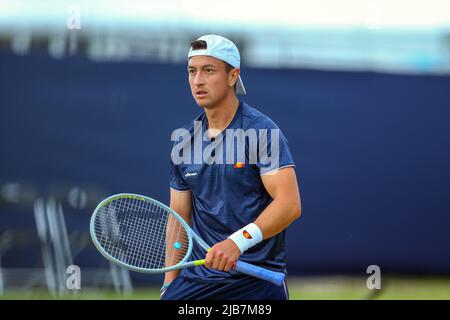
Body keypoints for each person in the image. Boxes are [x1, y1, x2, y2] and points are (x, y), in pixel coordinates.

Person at [161, 34, 301, 300]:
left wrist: (237, 242)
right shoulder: (184, 142)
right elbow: (179, 217)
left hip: (256, 282)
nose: (198, 80)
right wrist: (169, 283)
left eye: (208, 70)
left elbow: (289, 204)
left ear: (232, 75)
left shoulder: (262, 132)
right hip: (197, 282)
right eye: (192, 71)